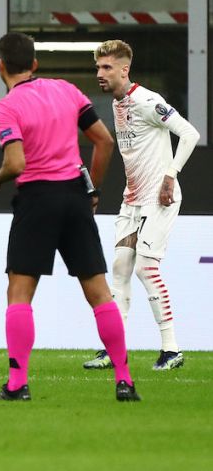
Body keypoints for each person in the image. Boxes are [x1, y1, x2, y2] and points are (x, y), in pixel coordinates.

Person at [0, 32, 138, 402]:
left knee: (19, 294)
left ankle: (18, 384)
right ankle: (124, 380)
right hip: (74, 196)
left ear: (1, 65)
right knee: (100, 293)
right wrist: (93, 190)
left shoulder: (7, 107)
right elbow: (104, 141)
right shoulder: (67, 90)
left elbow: (16, 163)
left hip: (37, 199)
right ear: (35, 64)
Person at [85, 40, 199, 371]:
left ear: (125, 69)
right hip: (132, 200)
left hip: (159, 197)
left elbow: (189, 134)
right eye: (97, 68)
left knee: (145, 268)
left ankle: (171, 349)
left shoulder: (148, 101)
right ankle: (113, 350)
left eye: (106, 68)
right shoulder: (119, 104)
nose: (99, 74)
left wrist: (170, 176)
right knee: (119, 269)